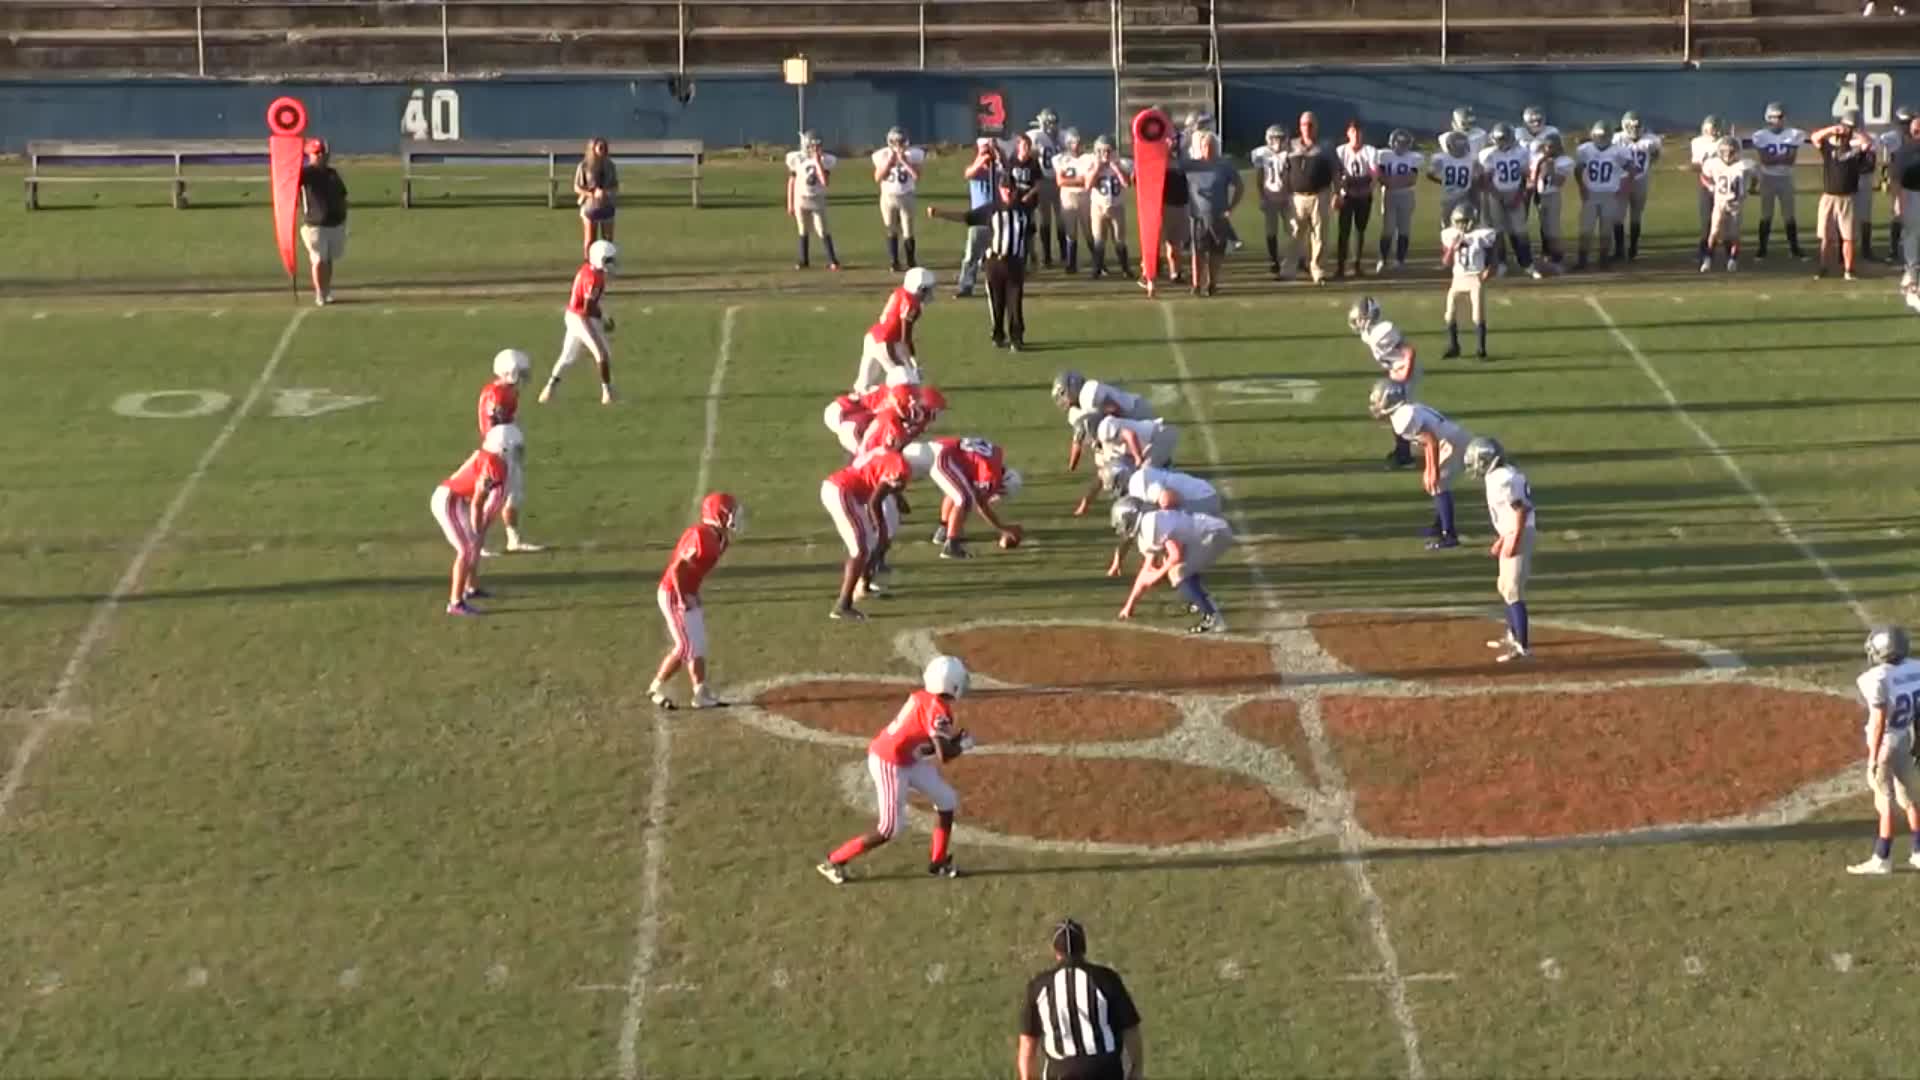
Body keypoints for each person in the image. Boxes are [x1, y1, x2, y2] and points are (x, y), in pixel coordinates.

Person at [817, 655, 974, 883]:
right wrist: (960, 746)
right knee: (890, 828)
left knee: (947, 799)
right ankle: (833, 860)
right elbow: (943, 755)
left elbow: (924, 745)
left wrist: (954, 742)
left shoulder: (924, 698)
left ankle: (938, 862)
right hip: (889, 762)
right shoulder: (937, 710)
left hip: (906, 758)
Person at [1017, 919, 1144, 1080]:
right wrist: (1136, 1069)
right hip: (1105, 1069)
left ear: (1055, 950)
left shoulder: (1039, 986)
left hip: (1060, 1071)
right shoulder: (1105, 979)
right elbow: (1130, 1028)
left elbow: (1027, 1044)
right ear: (1084, 947)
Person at [649, 492, 742, 711]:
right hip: (673, 592)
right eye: (730, 512)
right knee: (685, 647)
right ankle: (656, 687)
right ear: (719, 515)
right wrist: (682, 598)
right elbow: (677, 569)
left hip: (687, 591)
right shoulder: (700, 535)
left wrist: (694, 591)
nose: (735, 516)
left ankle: (700, 693)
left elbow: (695, 570)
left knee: (698, 644)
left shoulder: (721, 540)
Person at [1845, 627, 1920, 875]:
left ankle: (1882, 858)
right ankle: (1918, 852)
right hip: (1906, 738)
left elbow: (1878, 721)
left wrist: (1873, 758)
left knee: (1884, 801)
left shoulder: (1874, 678)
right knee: (1910, 799)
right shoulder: (1915, 669)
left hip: (1886, 744)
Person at [930, 170, 1033, 350]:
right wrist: (940, 214)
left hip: (1016, 262)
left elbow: (1028, 235)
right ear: (1000, 190)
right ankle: (998, 335)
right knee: (997, 303)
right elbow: (966, 217)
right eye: (1004, 188)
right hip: (996, 262)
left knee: (1015, 303)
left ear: (1016, 190)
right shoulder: (991, 209)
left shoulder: (1023, 211)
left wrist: (1032, 257)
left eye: (1010, 188)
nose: (1008, 192)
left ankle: (1017, 339)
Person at [1370, 378, 1474, 550]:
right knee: (1435, 483)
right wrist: (1429, 469)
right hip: (1450, 439)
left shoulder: (1403, 418)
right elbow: (1427, 441)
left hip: (1452, 442)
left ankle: (1449, 535)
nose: (1376, 404)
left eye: (1378, 399)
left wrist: (1431, 470)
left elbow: (1431, 440)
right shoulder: (1405, 411)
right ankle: (1439, 527)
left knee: (1437, 483)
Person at [1112, 498, 1234, 633]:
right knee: (1178, 568)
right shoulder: (1148, 526)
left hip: (1212, 534)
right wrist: (1129, 606)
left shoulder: (1151, 525)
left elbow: (1174, 555)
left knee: (1177, 573)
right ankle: (1206, 606)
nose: (1121, 525)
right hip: (1209, 532)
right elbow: (1145, 571)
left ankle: (1213, 618)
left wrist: (1157, 576)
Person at [431, 423, 515, 616]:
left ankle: (471, 587)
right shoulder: (493, 466)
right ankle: (455, 602)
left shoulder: (489, 457)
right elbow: (477, 503)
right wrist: (478, 529)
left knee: (474, 545)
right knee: (467, 548)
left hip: (456, 498)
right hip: (449, 500)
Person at [1464, 437, 1535, 664]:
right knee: (1504, 586)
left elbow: (1521, 510)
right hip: (1512, 531)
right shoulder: (1499, 475)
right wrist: (1503, 538)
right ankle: (1512, 634)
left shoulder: (1503, 479)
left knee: (1513, 589)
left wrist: (1514, 539)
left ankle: (1522, 647)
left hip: (1520, 532)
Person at [821, 449, 911, 621]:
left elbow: (875, 477)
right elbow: (874, 503)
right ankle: (843, 605)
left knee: (869, 545)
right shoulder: (900, 469)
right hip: (843, 492)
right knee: (861, 550)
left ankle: (864, 584)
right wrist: (882, 529)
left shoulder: (885, 456)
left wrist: (898, 497)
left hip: (839, 488)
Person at [477, 348, 542, 554]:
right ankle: (479, 542)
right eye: (520, 372)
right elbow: (496, 420)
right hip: (502, 444)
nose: (523, 377)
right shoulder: (500, 393)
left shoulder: (496, 389)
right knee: (497, 496)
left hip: (503, 441)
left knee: (513, 493)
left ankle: (513, 539)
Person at [538, 239, 618, 405]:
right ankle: (607, 394)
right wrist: (604, 319)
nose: (611, 263)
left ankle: (548, 390)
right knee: (602, 354)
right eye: (608, 260)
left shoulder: (589, 270)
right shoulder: (594, 279)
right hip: (580, 317)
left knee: (568, 356)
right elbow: (588, 308)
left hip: (575, 315)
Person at [1348, 296, 1418, 468]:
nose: (1358, 322)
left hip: (1405, 369)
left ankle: (1405, 455)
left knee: (1397, 412)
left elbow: (1409, 352)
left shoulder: (1384, 331)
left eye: (1361, 318)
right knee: (1392, 411)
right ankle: (1402, 450)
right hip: (1396, 370)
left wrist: (1404, 375)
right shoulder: (1369, 333)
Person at [926, 435, 1023, 558]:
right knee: (964, 499)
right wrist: (1002, 528)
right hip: (944, 456)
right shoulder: (992, 476)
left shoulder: (996, 456)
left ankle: (943, 531)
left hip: (942, 447)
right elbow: (981, 505)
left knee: (957, 489)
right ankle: (951, 544)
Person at [1812, 110, 1876, 280]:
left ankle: (1848, 270)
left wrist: (1853, 129)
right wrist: (1833, 129)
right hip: (1829, 197)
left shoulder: (1855, 152)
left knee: (1848, 237)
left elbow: (1868, 143)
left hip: (1848, 198)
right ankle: (1823, 267)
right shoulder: (1829, 149)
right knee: (1826, 237)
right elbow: (1815, 138)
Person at [854, 268, 934, 391]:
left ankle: (857, 404)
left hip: (873, 337)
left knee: (863, 386)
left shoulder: (901, 292)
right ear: (919, 288)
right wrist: (912, 359)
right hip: (885, 342)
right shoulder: (912, 304)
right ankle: (888, 400)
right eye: (927, 289)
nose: (930, 293)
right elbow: (905, 336)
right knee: (904, 379)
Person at [1184, 135, 1243, 295]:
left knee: (1217, 251)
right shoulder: (1192, 165)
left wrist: (1231, 207)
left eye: (1212, 146)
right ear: (1201, 148)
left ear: (1217, 148)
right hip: (1198, 217)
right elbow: (1173, 167)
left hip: (1218, 216)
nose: (1208, 149)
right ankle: (1196, 284)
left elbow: (1239, 185)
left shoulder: (1224, 166)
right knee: (1198, 251)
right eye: (1205, 146)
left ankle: (1212, 284)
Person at [1575, 120, 1636, 269]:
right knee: (1585, 229)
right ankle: (1582, 260)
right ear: (1593, 135)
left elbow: (1632, 169)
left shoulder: (1618, 151)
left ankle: (1603, 260)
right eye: (1598, 136)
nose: (1601, 139)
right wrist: (1582, 187)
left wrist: (1625, 187)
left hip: (1610, 193)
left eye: (1604, 136)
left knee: (1606, 229)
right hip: (1591, 193)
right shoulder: (1585, 149)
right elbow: (1578, 169)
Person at [1285, 111, 1338, 283]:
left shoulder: (1326, 147)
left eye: (1310, 125)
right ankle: (1289, 270)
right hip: (1297, 198)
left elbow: (1336, 172)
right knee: (1294, 234)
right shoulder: (1290, 146)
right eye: (1303, 124)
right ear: (1299, 126)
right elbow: (1284, 170)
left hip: (1320, 195)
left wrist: (1337, 193)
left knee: (1319, 235)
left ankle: (1317, 270)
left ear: (1316, 127)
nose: (1307, 128)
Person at [1440, 203, 1497, 360]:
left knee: (1477, 314)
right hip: (1458, 277)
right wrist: (1453, 247)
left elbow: (1493, 254)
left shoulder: (1482, 234)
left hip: (1475, 277)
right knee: (1449, 313)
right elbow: (1445, 262)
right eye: (1458, 222)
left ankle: (1481, 348)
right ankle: (1454, 346)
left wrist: (1489, 269)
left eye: (1464, 221)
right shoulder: (1450, 234)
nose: (1461, 225)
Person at [1477, 122, 1534, 276]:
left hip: (1515, 192)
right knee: (1498, 231)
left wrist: (1518, 196)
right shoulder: (1488, 154)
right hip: (1496, 194)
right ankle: (1501, 263)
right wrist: (1498, 196)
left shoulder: (1521, 152)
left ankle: (1527, 263)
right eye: (1499, 140)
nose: (1502, 143)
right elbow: (1486, 180)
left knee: (1520, 230)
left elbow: (1524, 176)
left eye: (1504, 139)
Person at [1752, 102, 1808, 259]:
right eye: (1773, 117)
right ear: (1767, 118)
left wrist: (1777, 158)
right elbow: (1766, 160)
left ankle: (1794, 248)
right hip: (1767, 178)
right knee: (1766, 215)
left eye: (1779, 117)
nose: (1776, 120)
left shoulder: (1793, 134)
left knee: (1789, 215)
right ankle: (1762, 249)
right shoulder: (1760, 135)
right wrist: (1781, 158)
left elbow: (1790, 160)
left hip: (1786, 178)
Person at [297, 138, 348, 306]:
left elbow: (342, 194)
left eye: (322, 153)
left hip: (335, 223)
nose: (320, 156)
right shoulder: (305, 174)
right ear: (309, 155)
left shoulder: (332, 173)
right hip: (314, 224)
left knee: (329, 259)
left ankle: (327, 289)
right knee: (318, 259)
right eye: (316, 153)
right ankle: (319, 292)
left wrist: (343, 214)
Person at [871, 126, 926, 272]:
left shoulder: (913, 154)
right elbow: (877, 177)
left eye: (901, 141)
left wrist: (905, 162)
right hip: (888, 197)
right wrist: (889, 163)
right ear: (890, 142)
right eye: (896, 142)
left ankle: (910, 261)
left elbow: (917, 176)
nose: (899, 145)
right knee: (891, 229)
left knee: (908, 230)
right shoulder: (882, 155)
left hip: (907, 195)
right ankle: (894, 261)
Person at [786, 130, 841, 270]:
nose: (816, 149)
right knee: (803, 230)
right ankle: (804, 260)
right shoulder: (797, 159)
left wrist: (818, 163)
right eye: (812, 146)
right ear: (806, 146)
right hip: (801, 199)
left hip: (817, 199)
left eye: (818, 146)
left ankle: (833, 260)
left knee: (822, 230)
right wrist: (790, 203)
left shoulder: (825, 160)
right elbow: (791, 182)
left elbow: (825, 182)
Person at [1700, 136, 1756, 272]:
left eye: (1731, 151)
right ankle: (1708, 259)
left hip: (1736, 203)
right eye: (1724, 151)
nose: (1727, 154)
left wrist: (1752, 188)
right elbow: (1703, 176)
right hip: (1719, 202)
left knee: (1733, 234)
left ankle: (1732, 259)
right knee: (1714, 231)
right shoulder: (1713, 164)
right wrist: (1710, 186)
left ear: (1737, 151)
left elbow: (1755, 177)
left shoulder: (1744, 165)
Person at [1333, 118, 1379, 279]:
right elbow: (1336, 174)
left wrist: (1368, 189)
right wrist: (1338, 193)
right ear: (1348, 133)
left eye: (1358, 132)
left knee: (1360, 230)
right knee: (1343, 231)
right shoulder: (1340, 151)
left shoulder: (1370, 151)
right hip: (1347, 193)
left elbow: (1374, 173)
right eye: (1353, 132)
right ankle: (1340, 266)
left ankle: (1357, 264)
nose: (1356, 136)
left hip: (1363, 193)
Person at [1084, 135, 1134, 279]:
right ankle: (1097, 269)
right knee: (1098, 239)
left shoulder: (1120, 163)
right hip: (1098, 207)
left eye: (1108, 151)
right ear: (1097, 152)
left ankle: (1125, 268)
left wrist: (1117, 170)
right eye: (1102, 151)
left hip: (1117, 206)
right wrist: (1097, 169)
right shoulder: (1093, 164)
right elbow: (1087, 186)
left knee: (1119, 240)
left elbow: (1126, 184)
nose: (1105, 154)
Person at [1613, 111, 1661, 260]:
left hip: (1640, 180)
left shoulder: (1651, 140)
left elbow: (1655, 155)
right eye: (1631, 126)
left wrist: (1647, 167)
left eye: (1637, 126)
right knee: (1618, 216)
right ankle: (1620, 249)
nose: (1634, 129)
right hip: (1621, 180)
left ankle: (1633, 248)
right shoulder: (1617, 139)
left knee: (1635, 215)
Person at [957, 138, 1000, 297]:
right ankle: (966, 286)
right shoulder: (977, 171)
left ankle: (996, 285)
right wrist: (981, 159)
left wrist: (997, 156)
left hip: (996, 217)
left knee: (996, 255)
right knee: (971, 256)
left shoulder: (998, 171)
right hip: (979, 217)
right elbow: (969, 173)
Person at [1375, 128, 1422, 273]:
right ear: (1392, 142)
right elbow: (1380, 176)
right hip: (1389, 195)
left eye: (1403, 143)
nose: (1401, 146)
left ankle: (1400, 261)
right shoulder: (1384, 155)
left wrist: (1391, 181)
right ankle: (1383, 259)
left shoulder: (1413, 157)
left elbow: (1412, 179)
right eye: (1398, 143)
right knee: (1388, 229)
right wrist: (1394, 181)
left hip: (1406, 195)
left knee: (1404, 229)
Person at [1686, 116, 1729, 267]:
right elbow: (1697, 165)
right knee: (1706, 221)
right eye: (1710, 128)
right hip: (1706, 184)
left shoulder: (1728, 141)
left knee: (1727, 221)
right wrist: (1694, 168)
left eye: (1715, 128)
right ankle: (1704, 251)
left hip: (1725, 186)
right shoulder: (1697, 143)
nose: (1712, 132)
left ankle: (1730, 252)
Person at [1529, 132, 1575, 274]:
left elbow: (1558, 182)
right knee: (1543, 227)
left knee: (1553, 228)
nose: (1548, 149)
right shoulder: (1538, 158)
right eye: (1546, 146)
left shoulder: (1564, 161)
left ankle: (1558, 258)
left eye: (1551, 146)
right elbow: (1532, 178)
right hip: (1539, 195)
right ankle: (1547, 256)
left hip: (1553, 195)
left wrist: (1550, 169)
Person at [1250, 124, 1292, 277]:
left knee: (1293, 230)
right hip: (1270, 196)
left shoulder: (1289, 153)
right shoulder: (1261, 153)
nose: (1278, 143)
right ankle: (1274, 260)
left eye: (1281, 139)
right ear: (1269, 139)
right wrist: (1262, 196)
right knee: (1271, 231)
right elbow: (1260, 176)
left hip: (1287, 197)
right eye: (1275, 139)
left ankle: (1294, 259)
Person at [1027, 108, 1065, 267]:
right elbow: (1027, 155)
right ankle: (1047, 255)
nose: (1051, 126)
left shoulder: (1063, 136)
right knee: (1045, 219)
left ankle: (1064, 253)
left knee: (1062, 218)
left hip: (1059, 181)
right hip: (1042, 180)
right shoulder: (1035, 136)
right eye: (1049, 123)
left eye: (1053, 123)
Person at [1426, 131, 1479, 239]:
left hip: (1452, 196)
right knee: (1464, 226)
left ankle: (1451, 249)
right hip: (1462, 196)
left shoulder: (1441, 158)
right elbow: (1476, 179)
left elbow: (1430, 174)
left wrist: (1442, 182)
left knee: (1449, 227)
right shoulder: (1472, 159)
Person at [1053, 129, 1093, 273]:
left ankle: (1098, 262)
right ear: (1067, 144)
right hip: (1068, 198)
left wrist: (1071, 181)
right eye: (1072, 143)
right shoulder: (1061, 159)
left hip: (1085, 197)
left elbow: (1088, 181)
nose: (1076, 146)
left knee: (1089, 230)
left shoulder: (1089, 158)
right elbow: (1060, 181)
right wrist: (1079, 180)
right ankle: (1071, 264)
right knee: (1071, 232)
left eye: (1078, 142)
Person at [573, 136, 619, 258]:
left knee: (608, 240)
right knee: (590, 240)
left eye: (605, 147)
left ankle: (607, 264)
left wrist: (606, 192)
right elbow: (577, 187)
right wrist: (592, 194)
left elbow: (615, 186)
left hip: (607, 206)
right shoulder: (583, 166)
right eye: (600, 147)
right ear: (593, 149)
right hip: (590, 207)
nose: (603, 150)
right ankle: (588, 263)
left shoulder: (610, 166)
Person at [1892, 112, 1920, 295]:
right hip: (1911, 195)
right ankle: (1911, 271)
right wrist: (1898, 201)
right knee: (1911, 234)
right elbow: (1897, 180)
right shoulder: (1904, 151)